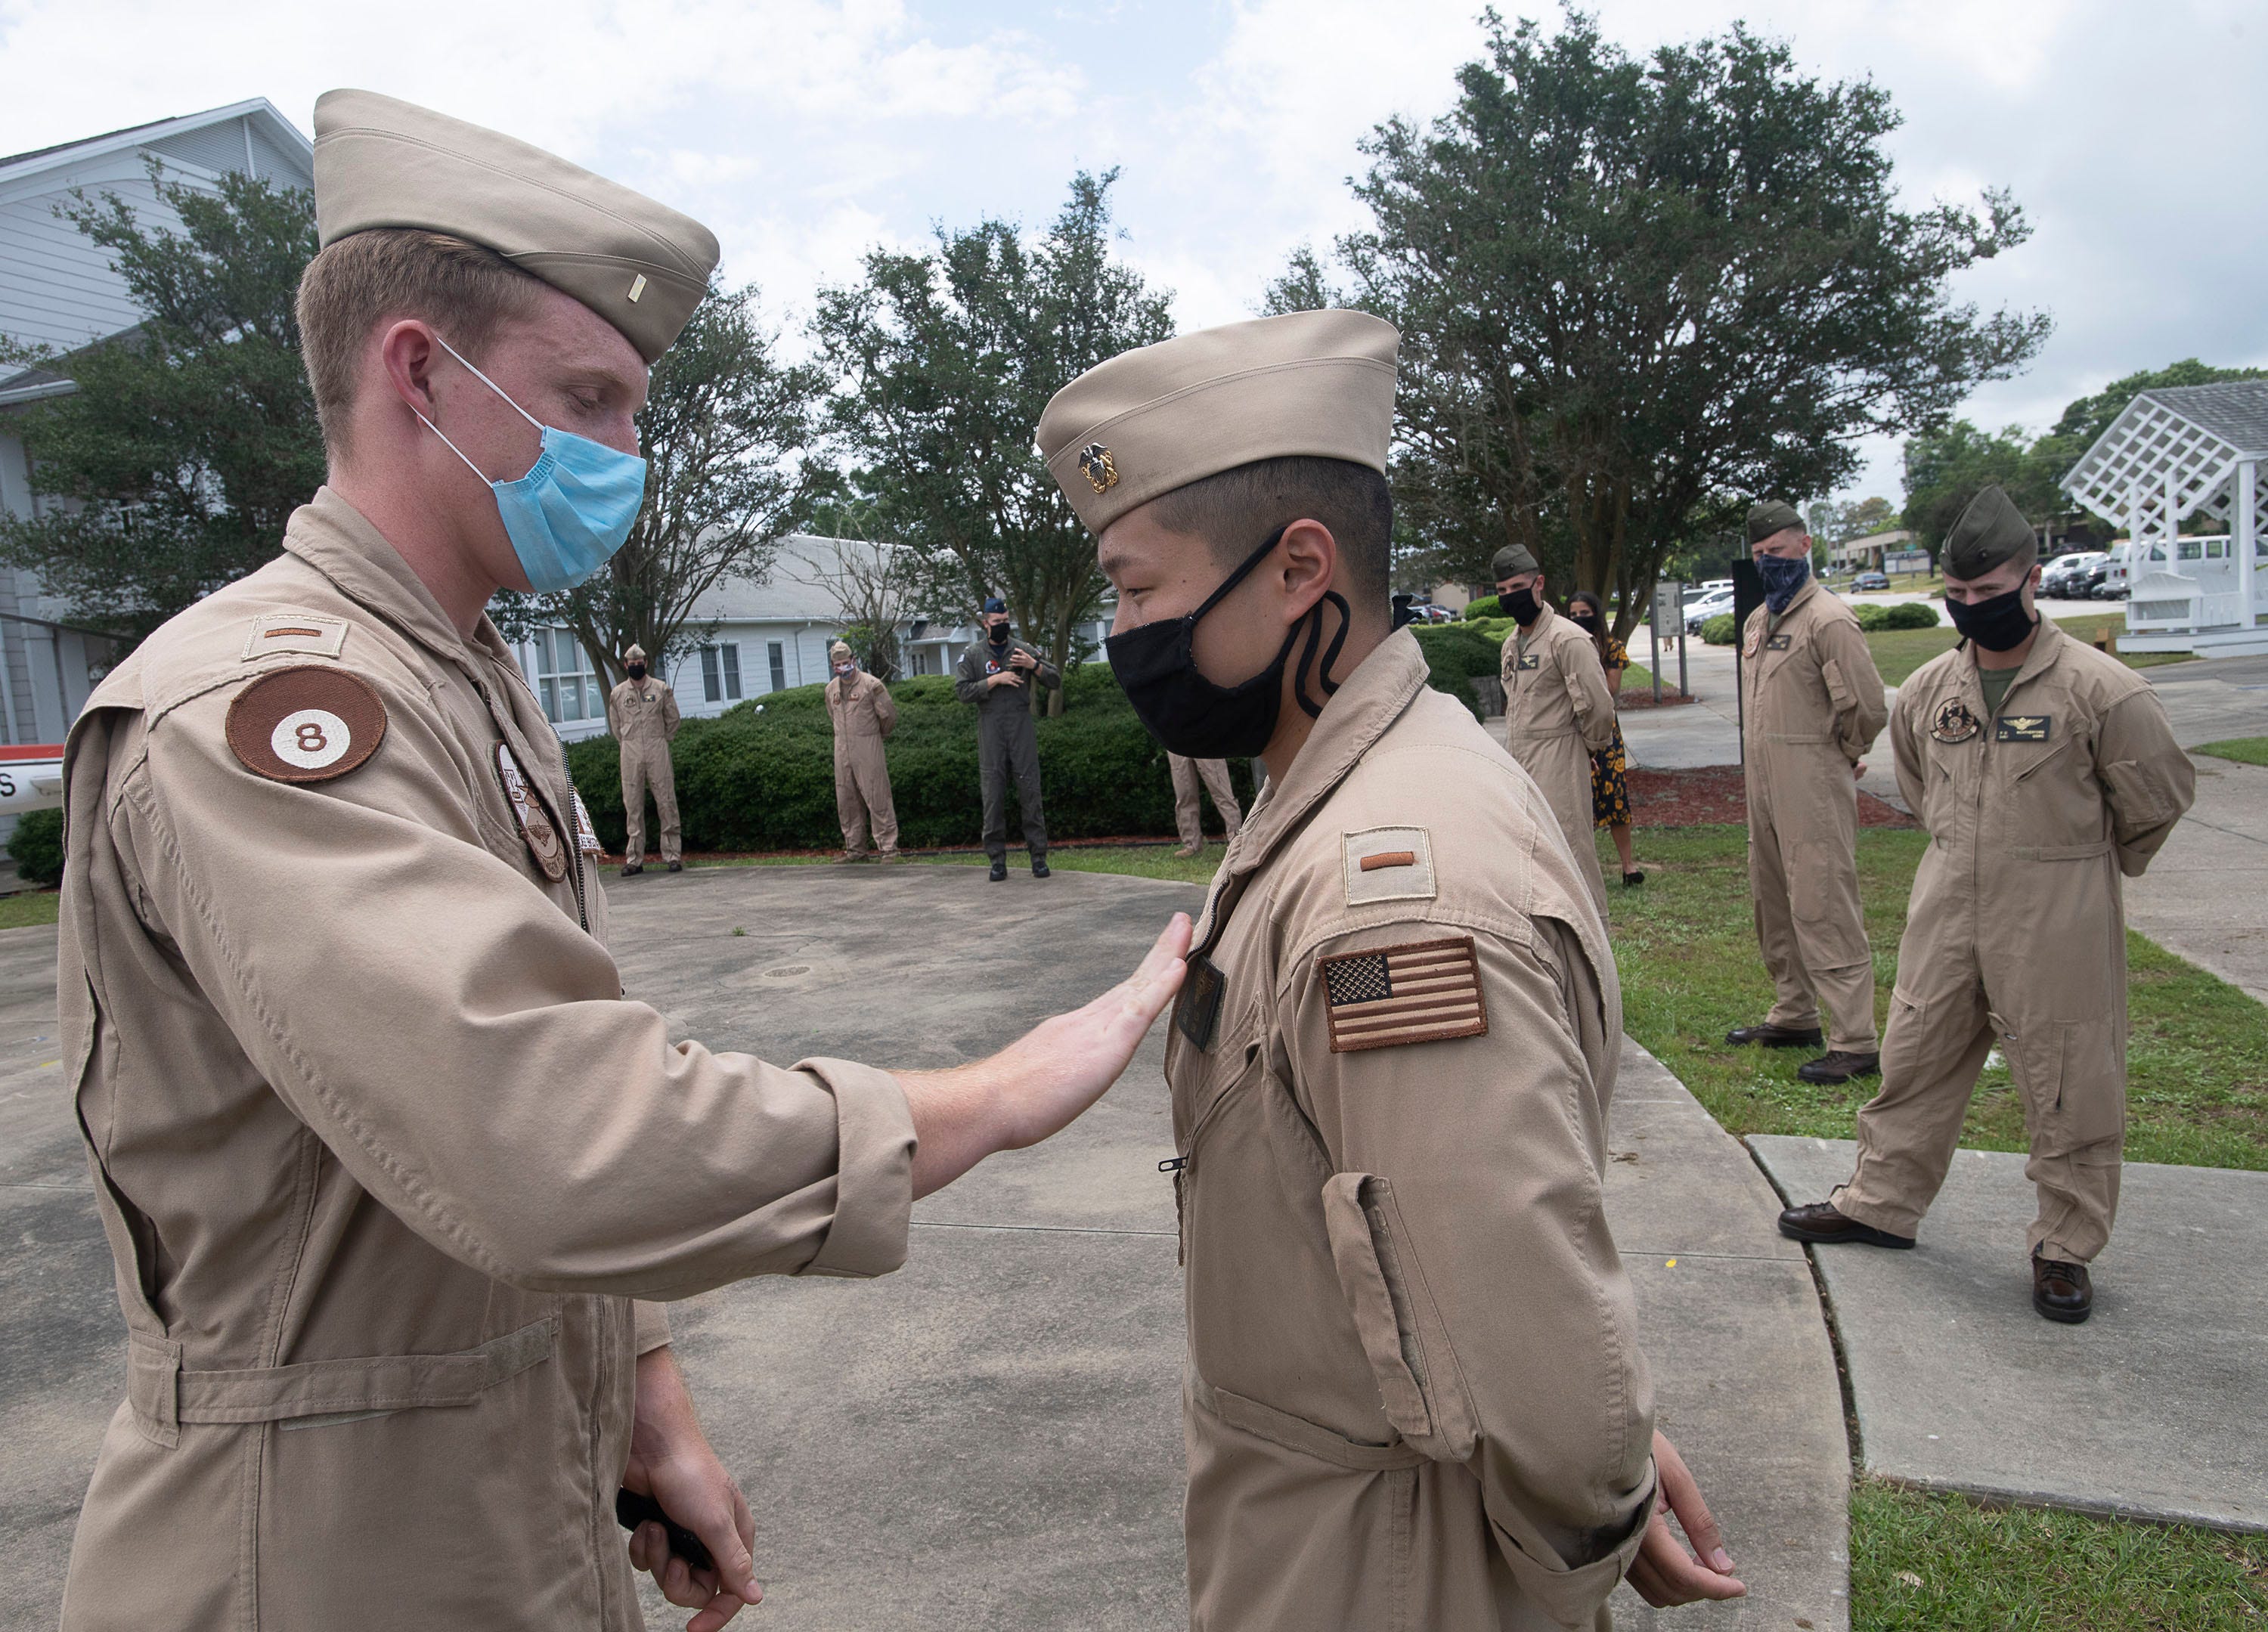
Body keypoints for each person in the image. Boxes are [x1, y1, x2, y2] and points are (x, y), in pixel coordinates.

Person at [52, 88, 1190, 1632]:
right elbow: (540, 1130)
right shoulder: (265, 712)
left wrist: (644, 1391)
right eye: (590, 396)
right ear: (416, 374)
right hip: (319, 1550)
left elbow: (475, 1127)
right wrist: (981, 1098)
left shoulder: (464, 676)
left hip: (496, 1497)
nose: (627, 451)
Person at [1036, 308, 1743, 1630]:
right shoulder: (1356, 778)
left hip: (1393, 1557)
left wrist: (1607, 1484)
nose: (1123, 631)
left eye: (1139, 588)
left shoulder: (1390, 885)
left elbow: (1505, 1276)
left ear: (1300, 566)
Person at [1778, 485, 2195, 1324]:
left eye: (1991, 591)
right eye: (1959, 595)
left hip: (2056, 909)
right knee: (1915, 1051)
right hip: (1948, 897)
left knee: (2069, 1076)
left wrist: (2072, 870)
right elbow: (1920, 779)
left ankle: (2065, 1246)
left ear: (2031, 579)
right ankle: (1880, 1201)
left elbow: (2156, 799)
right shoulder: (1934, 686)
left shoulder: (2102, 690)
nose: (1974, 607)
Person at [1725, 502, 1891, 1086]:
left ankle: (1855, 1038)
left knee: (1823, 903)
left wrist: (1838, 754)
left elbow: (1868, 707)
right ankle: (1794, 1012)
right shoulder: (1757, 623)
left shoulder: (1829, 620)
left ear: (1806, 545)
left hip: (1812, 782)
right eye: (1760, 553)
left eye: (1779, 549)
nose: (1769, 561)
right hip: (1764, 784)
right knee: (1773, 900)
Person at [1493, 544, 1616, 909]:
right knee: (1534, 862)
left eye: (1516, 587)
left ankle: (1593, 953)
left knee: (1572, 858)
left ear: (1539, 583)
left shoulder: (1568, 638)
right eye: (1501, 592)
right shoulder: (1511, 645)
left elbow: (1598, 706)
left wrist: (1588, 749)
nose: (1509, 597)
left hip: (1559, 762)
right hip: (1520, 764)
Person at [955, 596, 1058, 880]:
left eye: (1005, 621)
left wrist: (1033, 665)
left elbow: (1055, 679)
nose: (1002, 626)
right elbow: (962, 692)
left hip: (1020, 727)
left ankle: (1038, 858)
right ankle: (997, 861)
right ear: (985, 623)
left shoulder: (1021, 650)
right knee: (993, 796)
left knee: (1030, 793)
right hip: (991, 730)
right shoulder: (974, 654)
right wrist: (994, 680)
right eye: (996, 622)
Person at [1567, 590, 1642, 887]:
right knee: (1576, 798)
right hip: (1573, 728)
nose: (1578, 619)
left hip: (1606, 731)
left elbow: (1610, 689)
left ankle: (1628, 865)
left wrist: (1587, 669)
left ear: (1596, 613)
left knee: (1615, 796)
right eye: (1573, 614)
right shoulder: (1566, 646)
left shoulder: (1612, 647)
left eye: (1584, 613)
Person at [608, 639, 681, 874]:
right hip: (630, 751)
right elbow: (616, 725)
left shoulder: (661, 689)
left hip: (656, 746)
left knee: (666, 800)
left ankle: (672, 855)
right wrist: (628, 743)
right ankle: (634, 859)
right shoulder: (618, 694)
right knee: (633, 805)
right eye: (632, 663)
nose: (636, 666)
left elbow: (673, 719)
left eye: (640, 663)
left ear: (646, 663)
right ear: (626, 664)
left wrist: (660, 738)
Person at [825, 639, 900, 863]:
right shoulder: (831, 690)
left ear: (854, 660)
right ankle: (855, 850)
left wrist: (876, 737)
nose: (841, 669)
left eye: (845, 663)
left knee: (877, 796)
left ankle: (889, 849)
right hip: (842, 749)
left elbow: (889, 716)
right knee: (846, 800)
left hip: (868, 746)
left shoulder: (871, 685)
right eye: (836, 665)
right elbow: (832, 715)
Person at [1167, 751, 1243, 859]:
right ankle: (1191, 846)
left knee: (1223, 795)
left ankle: (1236, 844)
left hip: (1205, 739)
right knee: (1184, 797)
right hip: (1176, 741)